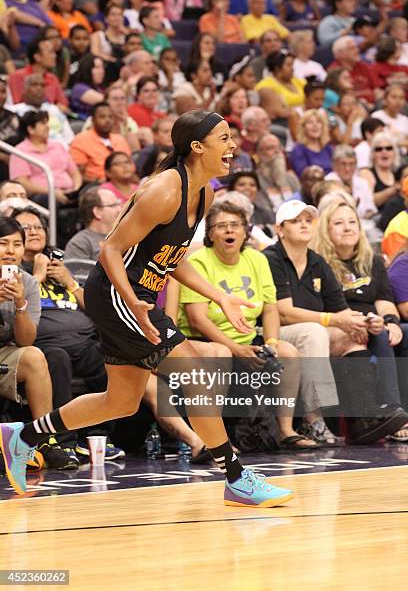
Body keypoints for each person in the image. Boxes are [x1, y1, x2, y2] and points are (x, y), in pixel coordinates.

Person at [0, 110, 294, 507]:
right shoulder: (165, 191)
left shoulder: (204, 193)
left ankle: (24, 436)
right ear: (197, 147)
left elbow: (173, 258)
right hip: (119, 295)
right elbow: (110, 250)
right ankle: (236, 476)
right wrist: (134, 301)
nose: (232, 146)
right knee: (197, 377)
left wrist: (219, 295)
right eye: (224, 138)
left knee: (119, 401)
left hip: (135, 299)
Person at [177, 200, 318, 451]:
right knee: (219, 353)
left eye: (235, 225)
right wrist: (234, 348)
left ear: (245, 231)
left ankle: (286, 429)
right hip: (204, 339)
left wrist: (272, 343)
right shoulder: (199, 262)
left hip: (247, 338)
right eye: (221, 226)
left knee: (288, 352)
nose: (229, 231)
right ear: (210, 234)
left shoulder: (257, 259)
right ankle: (216, 438)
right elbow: (198, 319)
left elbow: (271, 307)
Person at [263, 199, 408, 444]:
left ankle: (362, 419)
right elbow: (283, 312)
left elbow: (340, 308)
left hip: (315, 328)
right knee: (315, 332)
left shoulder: (317, 261)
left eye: (308, 220)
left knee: (353, 335)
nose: (304, 225)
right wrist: (334, 319)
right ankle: (314, 420)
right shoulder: (271, 258)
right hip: (275, 331)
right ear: (279, 229)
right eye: (296, 221)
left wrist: (362, 323)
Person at [12, 206, 125, 464]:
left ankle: (99, 439)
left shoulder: (60, 266)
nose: (34, 231)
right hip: (44, 344)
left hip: (84, 342)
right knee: (57, 360)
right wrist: (37, 276)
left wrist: (70, 282)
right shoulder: (15, 271)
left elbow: (96, 310)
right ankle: (64, 442)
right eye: (26, 228)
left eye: (38, 227)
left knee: (111, 361)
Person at [313, 198, 408, 428]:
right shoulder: (318, 264)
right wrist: (350, 322)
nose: (347, 228)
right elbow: (318, 306)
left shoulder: (372, 261)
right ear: (326, 230)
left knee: (397, 332)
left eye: (352, 222)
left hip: (373, 323)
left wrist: (390, 321)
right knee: (378, 334)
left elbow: (384, 299)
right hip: (336, 324)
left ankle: (396, 411)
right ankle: (390, 409)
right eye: (339, 223)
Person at [0, 215, 58, 466]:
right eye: (3, 243)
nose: (10, 251)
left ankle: (44, 437)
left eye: (17, 244)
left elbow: (26, 341)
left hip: (6, 351)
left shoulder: (28, 283)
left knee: (34, 356)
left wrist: (20, 304)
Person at [10, 111, 82, 207]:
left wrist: (75, 188)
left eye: (47, 122)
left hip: (69, 190)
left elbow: (75, 172)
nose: (47, 126)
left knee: (90, 195)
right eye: (43, 123)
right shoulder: (19, 151)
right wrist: (52, 192)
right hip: (42, 195)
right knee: (49, 200)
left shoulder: (58, 146)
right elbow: (23, 183)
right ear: (31, 129)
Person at [70, 102, 131, 184]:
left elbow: (131, 169)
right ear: (93, 120)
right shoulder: (80, 140)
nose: (108, 120)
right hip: (95, 186)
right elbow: (76, 175)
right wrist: (97, 182)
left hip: (124, 184)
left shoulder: (120, 140)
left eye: (110, 117)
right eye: (102, 117)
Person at [9, 73, 74, 148]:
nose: (39, 88)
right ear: (24, 89)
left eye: (42, 85)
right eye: (34, 85)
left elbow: (70, 138)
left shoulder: (55, 109)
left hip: (62, 152)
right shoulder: (13, 111)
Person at [8, 35, 68, 110]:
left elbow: (63, 104)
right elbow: (16, 103)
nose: (55, 56)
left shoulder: (52, 78)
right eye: (50, 52)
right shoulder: (17, 76)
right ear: (37, 57)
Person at [65, 187, 122, 261]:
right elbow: (78, 272)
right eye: (113, 205)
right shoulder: (80, 243)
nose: (119, 209)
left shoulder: (124, 235)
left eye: (118, 204)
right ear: (97, 212)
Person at [359, 131, 401, 225]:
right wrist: (393, 190)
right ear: (372, 154)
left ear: (394, 153)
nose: (384, 152)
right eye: (379, 149)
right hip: (377, 221)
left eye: (389, 148)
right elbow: (368, 202)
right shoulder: (367, 173)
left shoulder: (399, 173)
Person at [290, 109, 333, 178]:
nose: (315, 125)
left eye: (318, 122)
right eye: (310, 122)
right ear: (303, 128)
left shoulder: (328, 148)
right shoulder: (298, 150)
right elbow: (303, 174)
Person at [372, 83, 408, 151]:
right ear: (385, 100)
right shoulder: (376, 117)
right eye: (394, 97)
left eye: (401, 97)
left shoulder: (405, 120)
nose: (398, 101)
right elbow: (375, 141)